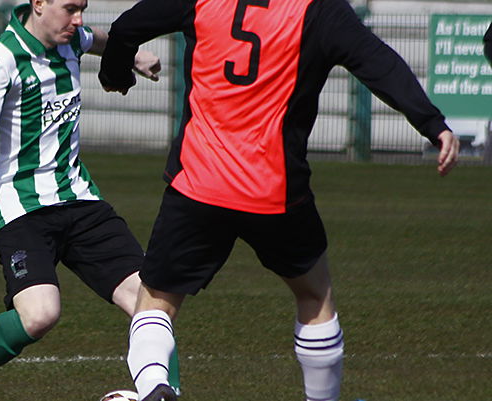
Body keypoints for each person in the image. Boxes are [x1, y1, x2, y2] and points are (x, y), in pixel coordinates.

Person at [98, 0, 460, 400]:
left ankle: (153, 389)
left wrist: (115, 73)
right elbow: (377, 62)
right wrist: (432, 123)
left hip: (198, 182)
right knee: (314, 293)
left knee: (157, 302)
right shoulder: (318, 8)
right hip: (272, 190)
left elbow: (127, 27)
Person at [0, 1, 181, 400]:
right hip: (19, 206)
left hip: (79, 198)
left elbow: (96, 38)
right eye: (69, 8)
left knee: (153, 304)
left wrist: (131, 55)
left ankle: (165, 394)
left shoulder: (71, 39)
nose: (78, 19)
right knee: (40, 314)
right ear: (38, 3)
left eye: (82, 8)